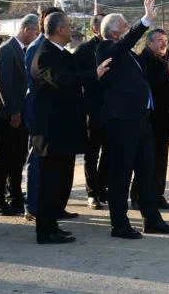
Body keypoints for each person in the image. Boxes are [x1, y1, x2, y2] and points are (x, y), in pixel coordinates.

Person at [97, 0, 169, 239]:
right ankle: (119, 224)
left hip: (141, 120)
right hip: (122, 122)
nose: (127, 27)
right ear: (114, 31)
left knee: (147, 172)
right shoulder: (105, 48)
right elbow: (124, 44)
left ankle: (152, 219)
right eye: (124, 25)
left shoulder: (129, 54)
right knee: (121, 175)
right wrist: (145, 22)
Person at [31, 12, 111, 244]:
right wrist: (92, 74)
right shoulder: (45, 55)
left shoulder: (61, 53)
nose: (71, 28)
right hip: (51, 132)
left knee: (62, 181)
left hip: (64, 131)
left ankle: (53, 224)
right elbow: (62, 80)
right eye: (68, 25)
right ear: (59, 30)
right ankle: (45, 230)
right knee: (50, 182)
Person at [0, 14, 39, 216]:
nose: (36, 37)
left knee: (17, 158)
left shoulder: (22, 50)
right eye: (36, 33)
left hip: (19, 114)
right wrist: (14, 112)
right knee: (3, 158)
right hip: (6, 115)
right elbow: (3, 85)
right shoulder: (6, 50)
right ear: (27, 30)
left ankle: (15, 197)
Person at [23, 6, 67, 222]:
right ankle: (34, 205)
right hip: (40, 113)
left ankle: (53, 207)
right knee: (39, 160)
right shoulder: (39, 49)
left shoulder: (54, 48)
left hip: (52, 114)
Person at [130, 28, 169, 210]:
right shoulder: (143, 59)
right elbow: (150, 83)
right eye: (159, 40)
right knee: (146, 162)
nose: (164, 43)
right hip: (151, 120)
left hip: (165, 120)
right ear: (149, 43)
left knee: (160, 161)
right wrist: (167, 71)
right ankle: (138, 196)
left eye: (166, 40)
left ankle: (158, 196)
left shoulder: (165, 58)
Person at [73, 14, 109, 210]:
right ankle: (92, 193)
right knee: (92, 153)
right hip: (92, 108)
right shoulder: (84, 50)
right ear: (96, 29)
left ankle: (103, 188)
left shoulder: (115, 48)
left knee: (109, 152)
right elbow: (75, 77)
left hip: (112, 107)